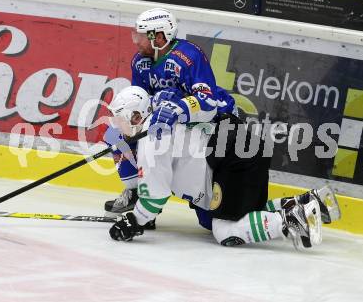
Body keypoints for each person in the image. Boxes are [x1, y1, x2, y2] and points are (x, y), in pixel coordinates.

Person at [106, 85, 341, 250]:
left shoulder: (150, 140)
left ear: (136, 116)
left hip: (231, 159)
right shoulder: (161, 115)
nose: (117, 125)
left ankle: (293, 220)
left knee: (224, 230)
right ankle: (313, 204)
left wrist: (134, 221)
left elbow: (155, 196)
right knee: (238, 213)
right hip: (240, 148)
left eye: (119, 118)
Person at [103, 7, 236, 221]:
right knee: (118, 132)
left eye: (142, 35)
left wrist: (177, 106)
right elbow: (141, 101)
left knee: (211, 218)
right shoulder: (140, 62)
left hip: (211, 121)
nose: (136, 41)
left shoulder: (188, 56)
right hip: (169, 121)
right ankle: (138, 193)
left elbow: (207, 100)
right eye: (135, 34)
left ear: (160, 36)